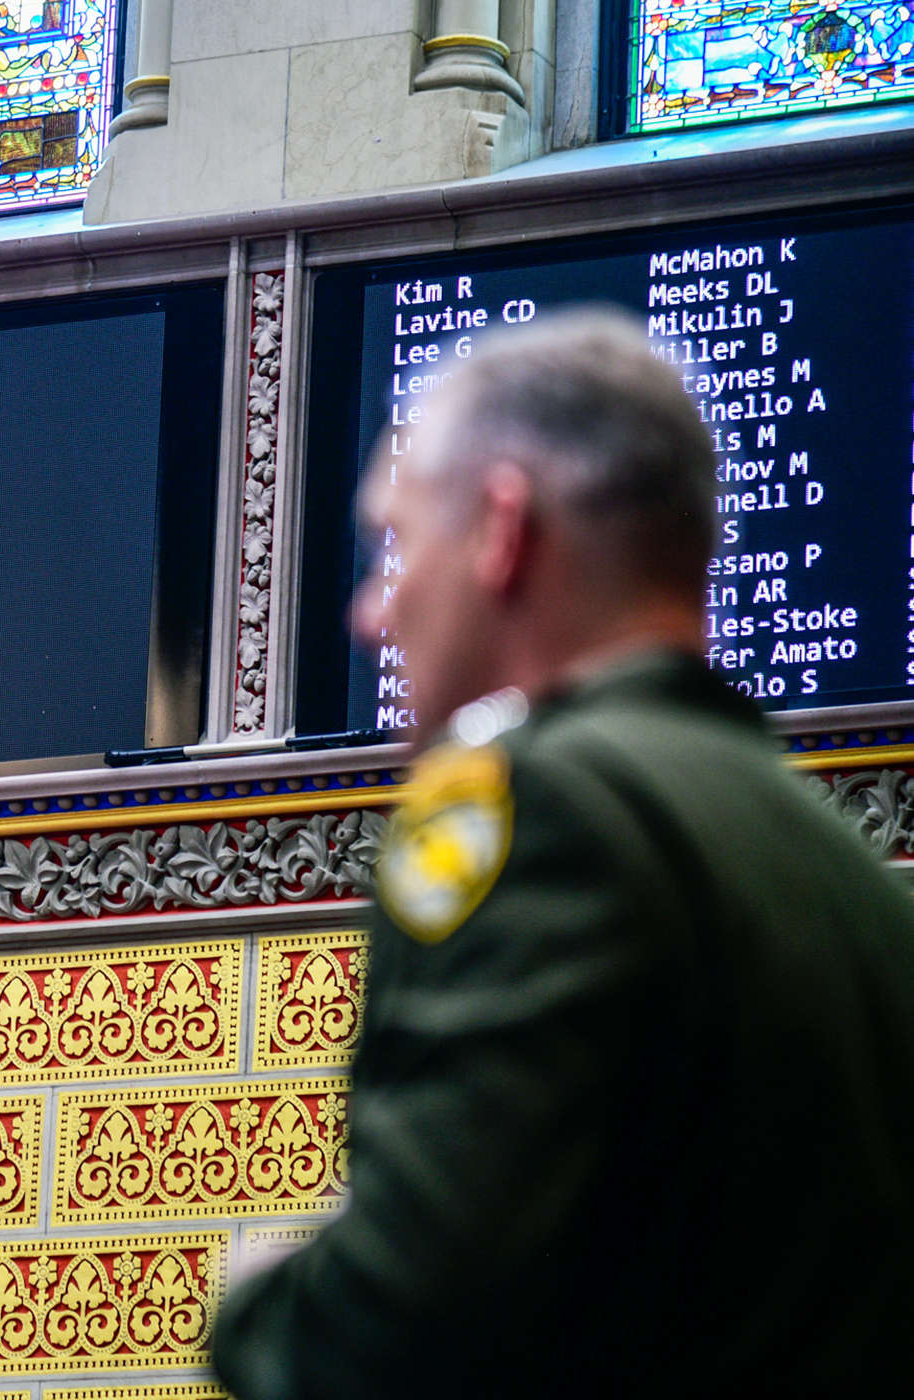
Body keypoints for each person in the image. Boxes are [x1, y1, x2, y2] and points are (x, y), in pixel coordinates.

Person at [210, 310, 914, 1397]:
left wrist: (261, 1299)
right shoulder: (847, 878)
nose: (371, 612)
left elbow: (401, 1333)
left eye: (397, 547)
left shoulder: (537, 813)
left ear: (501, 527)